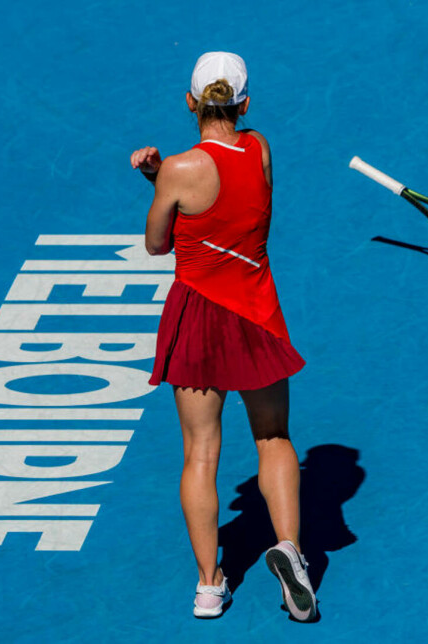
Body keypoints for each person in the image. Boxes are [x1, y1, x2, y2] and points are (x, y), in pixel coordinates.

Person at [130, 51, 317, 622]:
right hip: (257, 316)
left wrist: (155, 179)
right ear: (244, 103)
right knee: (274, 437)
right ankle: (290, 550)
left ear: (190, 102)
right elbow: (234, 202)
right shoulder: (260, 149)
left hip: (197, 321)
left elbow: (158, 243)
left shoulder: (178, 171)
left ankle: (210, 585)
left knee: (201, 454)